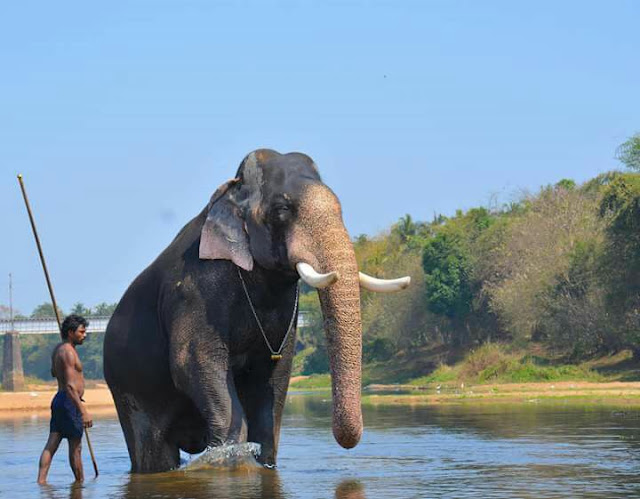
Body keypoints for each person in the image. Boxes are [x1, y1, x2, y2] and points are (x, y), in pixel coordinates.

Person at [37, 314, 93, 484]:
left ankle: (41, 482)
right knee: (76, 447)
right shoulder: (68, 352)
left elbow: (54, 372)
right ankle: (79, 484)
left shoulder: (58, 350)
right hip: (69, 401)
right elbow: (70, 386)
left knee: (52, 443)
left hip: (59, 400)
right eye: (81, 332)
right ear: (71, 332)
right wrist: (83, 411)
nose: (84, 335)